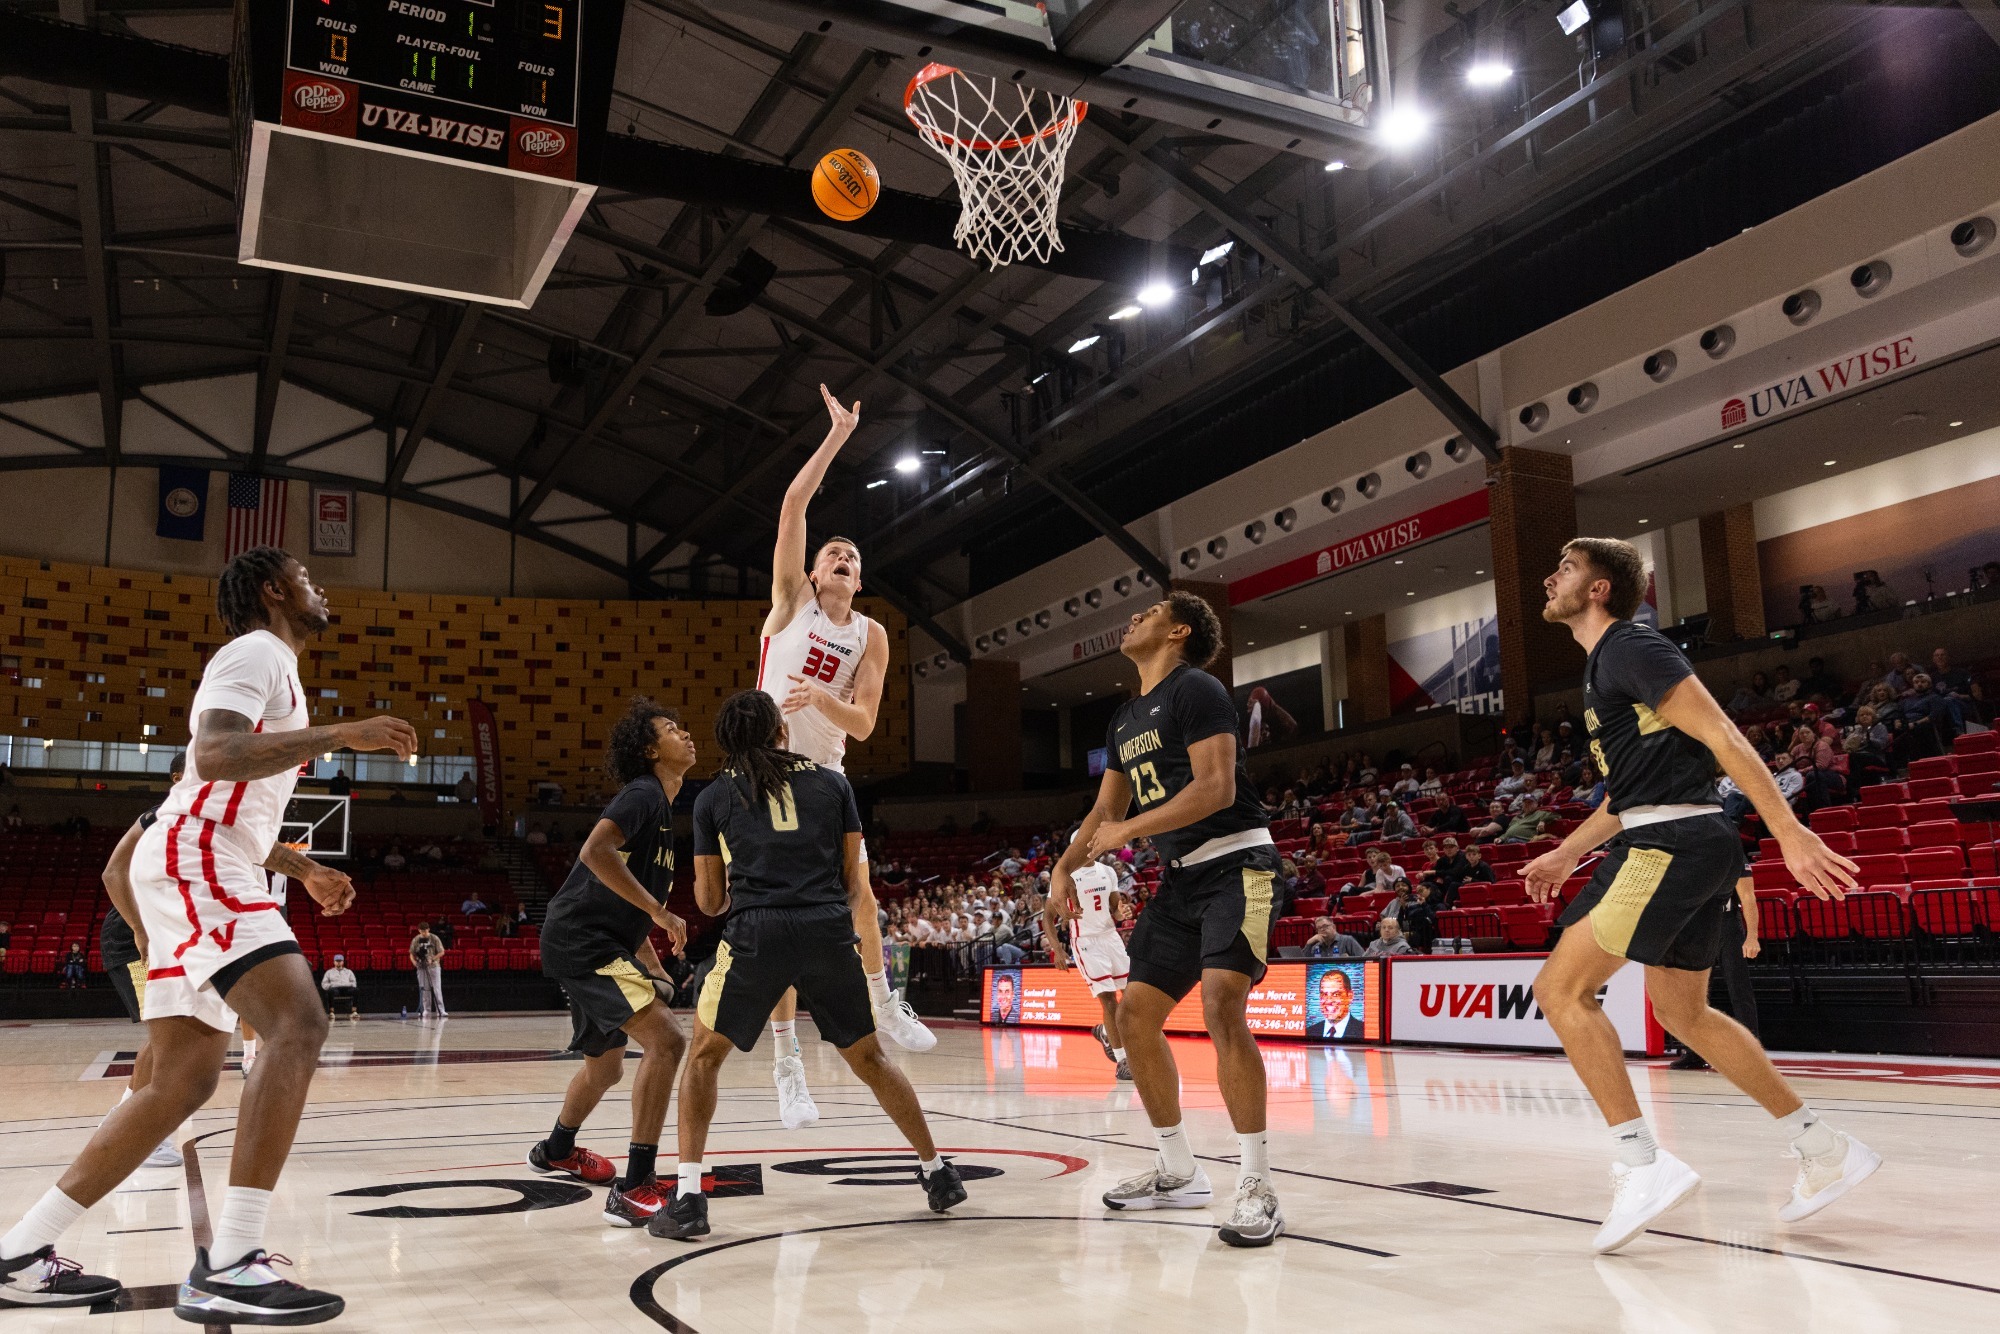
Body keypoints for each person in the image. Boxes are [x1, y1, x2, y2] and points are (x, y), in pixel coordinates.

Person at [0, 545, 415, 1319]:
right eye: (304, 576)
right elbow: (215, 755)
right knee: (298, 1023)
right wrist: (340, 734)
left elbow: (239, 809)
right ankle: (231, 1260)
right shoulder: (254, 650)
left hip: (205, 860)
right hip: (196, 861)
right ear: (272, 591)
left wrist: (305, 870)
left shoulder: (275, 666)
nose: (317, 586)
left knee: (180, 1084)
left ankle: (20, 1250)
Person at [1524, 538, 1875, 1255]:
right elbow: (1632, 790)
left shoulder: (1631, 646)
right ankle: (1822, 1145)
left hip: (1669, 845)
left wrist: (1787, 827)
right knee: (1683, 1010)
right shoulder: (1610, 662)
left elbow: (1719, 730)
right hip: (1686, 839)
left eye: (1566, 568)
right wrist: (1568, 849)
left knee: (1562, 991)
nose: (1550, 577)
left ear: (1599, 590)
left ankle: (1640, 1161)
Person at [655, 690, 969, 1241]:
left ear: (726, 741)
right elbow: (855, 883)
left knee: (703, 1059)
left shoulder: (713, 798)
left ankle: (687, 1199)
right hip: (827, 926)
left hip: (757, 931)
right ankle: (938, 1170)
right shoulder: (834, 783)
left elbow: (708, 901)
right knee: (869, 1058)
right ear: (781, 730)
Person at [1049, 591, 1283, 1247]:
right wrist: (1062, 869)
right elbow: (1103, 814)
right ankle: (1178, 1169)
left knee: (1221, 1004)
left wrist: (1127, 830)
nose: (1133, 616)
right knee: (1133, 1017)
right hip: (1181, 884)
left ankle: (1258, 1185)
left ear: (1177, 631)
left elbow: (1216, 788)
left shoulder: (1197, 689)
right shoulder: (1125, 718)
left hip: (1241, 866)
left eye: (1149, 611)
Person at [750, 386, 933, 1130]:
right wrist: (837, 436)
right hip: (768, 772)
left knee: (861, 895)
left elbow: (861, 723)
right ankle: (789, 1066)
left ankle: (884, 1000)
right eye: (834, 552)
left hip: (827, 772)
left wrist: (822, 703)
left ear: (859, 579)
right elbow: (794, 507)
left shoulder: (872, 636)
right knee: (785, 920)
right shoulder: (789, 601)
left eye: (852, 557)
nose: (842, 557)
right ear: (815, 572)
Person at [527, 697, 694, 1229]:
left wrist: (652, 964)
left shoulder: (661, 811)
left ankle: (555, 1149)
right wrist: (661, 913)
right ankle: (635, 1185)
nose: (686, 734)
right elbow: (594, 853)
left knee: (606, 1066)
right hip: (584, 942)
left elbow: (622, 902)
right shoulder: (643, 794)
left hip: (598, 940)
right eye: (672, 728)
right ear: (650, 750)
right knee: (667, 1041)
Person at [1051, 853, 1133, 1081]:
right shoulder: (1064, 875)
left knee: (1131, 996)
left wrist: (1121, 912)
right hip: (1086, 940)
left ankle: (1106, 1032)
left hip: (1110, 936)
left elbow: (1114, 909)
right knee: (1109, 1000)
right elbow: (1048, 916)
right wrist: (1058, 949)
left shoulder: (1107, 871)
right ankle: (1122, 1060)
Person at [1672, 874, 1761, 1070]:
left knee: (1739, 988)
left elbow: (1748, 897)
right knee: (1694, 994)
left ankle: (1751, 1051)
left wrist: (1752, 937)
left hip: (1727, 924)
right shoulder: (1693, 855)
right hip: (1698, 927)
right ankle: (1695, 1051)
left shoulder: (1734, 855)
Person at [1307, 966, 1359, 1039]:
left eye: (1336, 994)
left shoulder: (1363, 1031)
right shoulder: (1310, 1032)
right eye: (1324, 994)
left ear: (1350, 996)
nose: (1328, 1001)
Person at [409, 923, 446, 1019]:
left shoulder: (435, 938)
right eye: (422, 931)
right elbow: (412, 953)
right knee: (425, 989)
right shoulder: (416, 939)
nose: (424, 933)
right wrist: (414, 962)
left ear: (428, 929)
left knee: (437, 988)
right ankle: (426, 1010)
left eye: (425, 931)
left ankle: (441, 1010)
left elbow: (442, 952)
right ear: (419, 930)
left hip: (434, 966)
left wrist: (432, 959)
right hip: (421, 967)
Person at [320, 955, 358, 1020]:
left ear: (343, 962)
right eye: (337, 961)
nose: (338, 962)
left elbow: (354, 982)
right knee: (330, 991)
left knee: (356, 990)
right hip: (335, 989)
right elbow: (324, 983)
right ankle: (331, 1012)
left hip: (346, 988)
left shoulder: (348, 971)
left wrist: (347, 984)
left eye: (340, 961)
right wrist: (331, 986)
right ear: (334, 962)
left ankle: (354, 1011)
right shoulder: (329, 972)